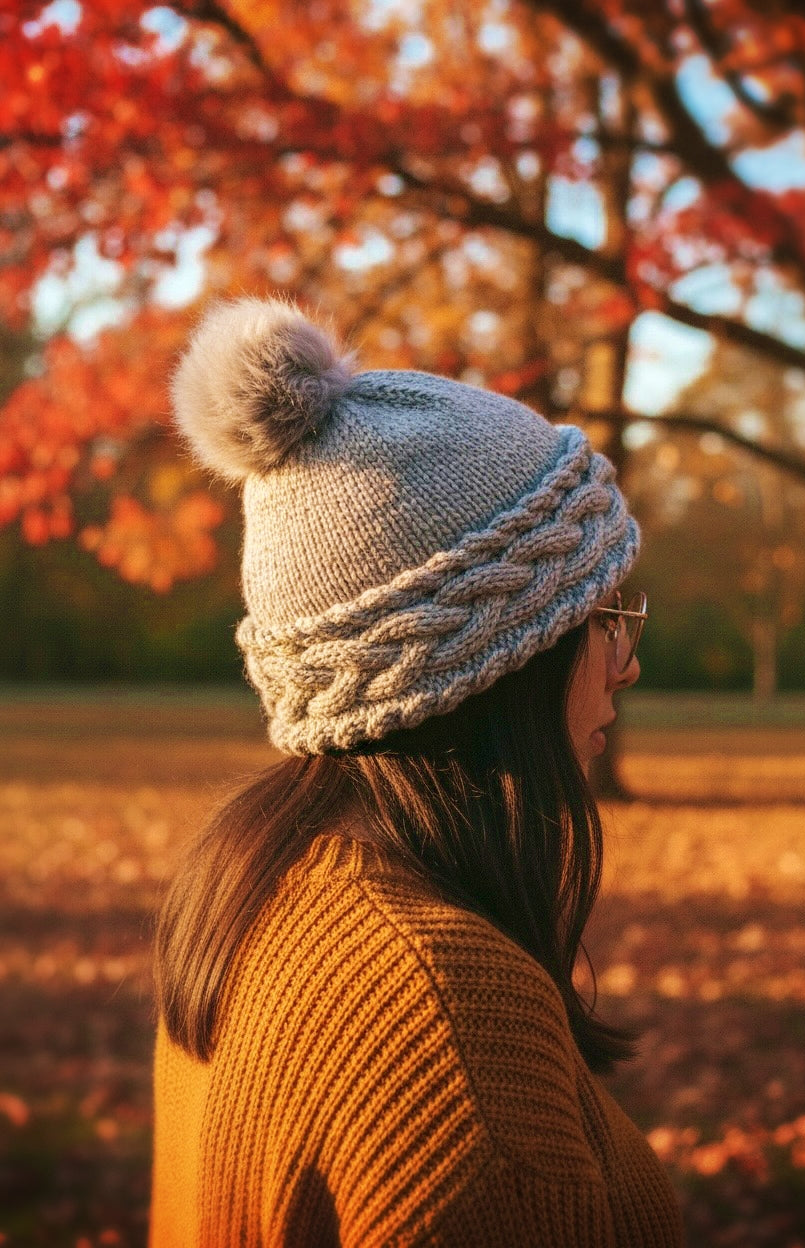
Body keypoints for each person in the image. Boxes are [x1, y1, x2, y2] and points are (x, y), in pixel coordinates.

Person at [151, 296, 682, 1247]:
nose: (627, 661)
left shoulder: (248, 884)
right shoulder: (448, 1013)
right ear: (497, 667)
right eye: (604, 617)